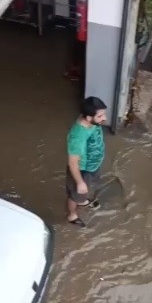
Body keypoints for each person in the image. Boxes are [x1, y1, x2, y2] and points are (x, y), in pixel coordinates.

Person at [66, 96, 107, 227]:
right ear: (89, 118)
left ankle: (83, 201)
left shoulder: (91, 121)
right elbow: (73, 163)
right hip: (82, 170)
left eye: (104, 114)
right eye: (100, 116)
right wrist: (79, 182)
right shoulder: (77, 137)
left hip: (93, 164)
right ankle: (72, 215)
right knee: (76, 195)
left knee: (84, 192)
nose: (104, 118)